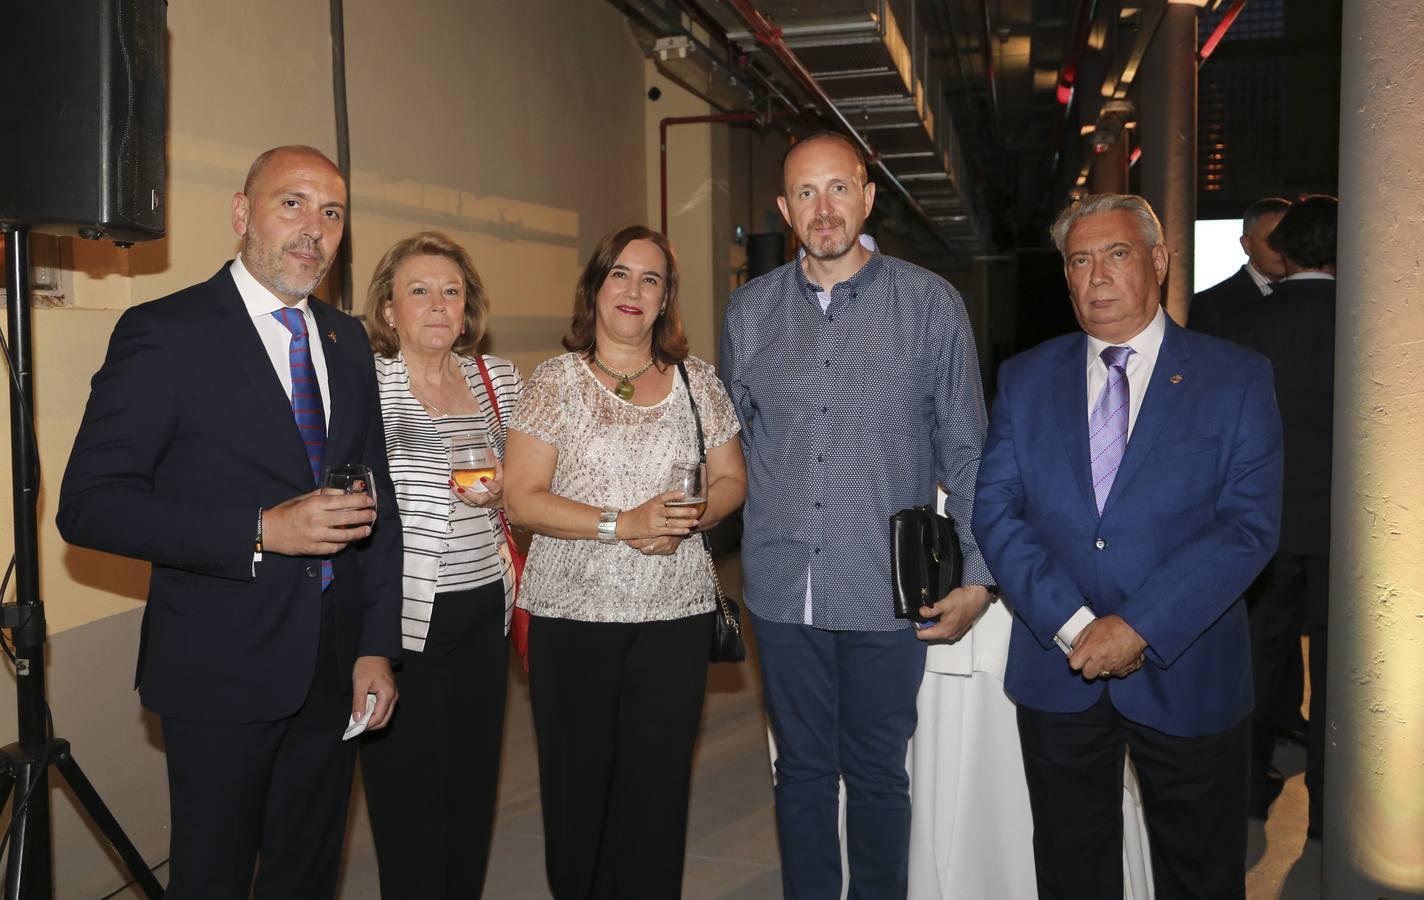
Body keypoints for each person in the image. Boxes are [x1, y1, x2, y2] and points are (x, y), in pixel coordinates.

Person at [56, 145, 402, 899]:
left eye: (332, 212)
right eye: (293, 204)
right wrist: (257, 530)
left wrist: (376, 648)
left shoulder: (345, 344)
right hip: (220, 668)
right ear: (242, 214)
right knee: (212, 878)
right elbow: (90, 503)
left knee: (306, 874)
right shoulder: (167, 332)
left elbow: (383, 509)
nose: (314, 229)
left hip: (332, 665)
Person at [973, 193, 1283, 899]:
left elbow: (1248, 526)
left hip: (1189, 669)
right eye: (1079, 260)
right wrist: (1075, 625)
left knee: (1199, 871)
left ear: (1160, 261)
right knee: (1070, 866)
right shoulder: (1026, 380)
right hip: (1061, 670)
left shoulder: (1235, 377)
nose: (1097, 276)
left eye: (1116, 254)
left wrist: (1139, 625)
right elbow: (995, 510)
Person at [720, 131, 996, 898]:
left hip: (885, 588)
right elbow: (729, 445)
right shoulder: (749, 314)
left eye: (838, 188)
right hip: (780, 586)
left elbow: (968, 450)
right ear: (783, 208)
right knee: (800, 771)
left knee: (877, 773)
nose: (823, 209)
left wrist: (977, 572)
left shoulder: (930, 305)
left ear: (868, 197)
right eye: (805, 194)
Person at [502, 225, 747, 898]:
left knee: (657, 794)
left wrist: (690, 515)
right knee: (578, 794)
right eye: (621, 274)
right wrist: (622, 524)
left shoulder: (698, 382)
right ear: (595, 287)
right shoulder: (552, 384)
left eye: (651, 279)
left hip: (674, 620)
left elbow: (732, 479)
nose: (634, 290)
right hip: (571, 619)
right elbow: (521, 500)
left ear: (667, 298)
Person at [357, 231, 522, 896]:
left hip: (486, 609)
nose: (437, 304)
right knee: (408, 800)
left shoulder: (496, 377)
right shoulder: (367, 383)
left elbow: (531, 475)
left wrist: (507, 485)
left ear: (467, 308)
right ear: (389, 310)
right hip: (401, 619)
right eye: (418, 290)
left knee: (471, 788)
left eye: (451, 291)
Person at [1220, 195, 1338, 838]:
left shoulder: (1245, 329)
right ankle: (1331, 804)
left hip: (1262, 526)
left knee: (1259, 661)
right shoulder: (1375, 325)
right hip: (1349, 531)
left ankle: (1249, 787)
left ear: (1283, 253)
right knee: (1340, 666)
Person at [1188, 196, 1290, 337]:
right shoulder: (1211, 304)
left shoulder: (1309, 294)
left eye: (1289, 239)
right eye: (1272, 240)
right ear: (1246, 245)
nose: (1282, 248)